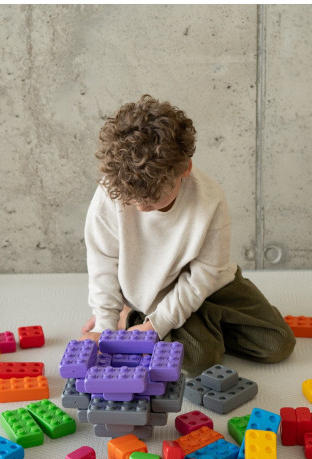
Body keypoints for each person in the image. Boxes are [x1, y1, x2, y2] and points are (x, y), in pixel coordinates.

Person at [80, 94, 296, 377]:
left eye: (154, 199)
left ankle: (198, 323)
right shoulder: (110, 193)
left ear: (185, 169)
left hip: (208, 283)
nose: (142, 207)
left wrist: (162, 323)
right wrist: (105, 328)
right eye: (133, 200)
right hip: (149, 292)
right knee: (199, 359)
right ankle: (131, 316)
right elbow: (102, 264)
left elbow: (205, 272)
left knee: (278, 343)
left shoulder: (209, 199)